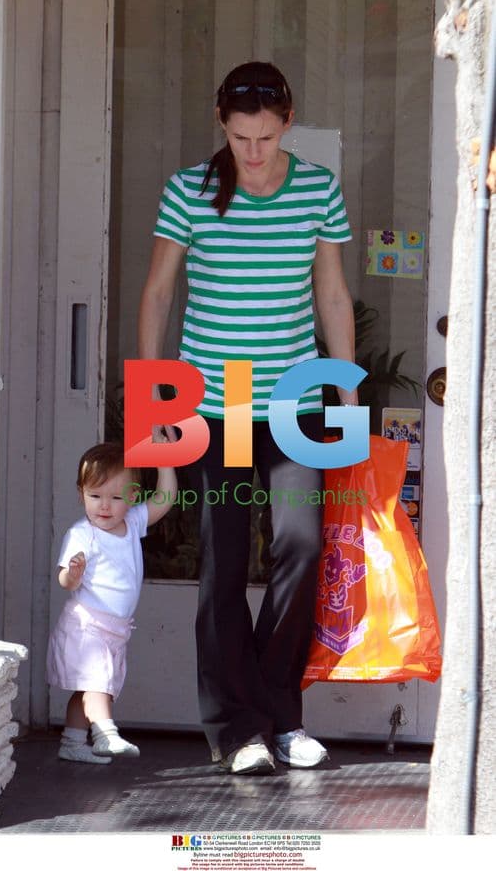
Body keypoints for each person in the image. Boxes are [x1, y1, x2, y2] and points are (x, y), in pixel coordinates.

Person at [138, 61, 357, 775]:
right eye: (240, 138)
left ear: (287, 122)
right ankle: (236, 729)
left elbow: (331, 295)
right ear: (222, 124)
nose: (253, 153)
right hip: (218, 398)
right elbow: (158, 297)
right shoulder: (190, 191)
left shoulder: (319, 189)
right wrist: (156, 411)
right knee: (223, 564)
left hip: (296, 393)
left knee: (301, 546)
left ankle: (279, 714)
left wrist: (348, 399)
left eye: (264, 138)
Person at [47, 439, 177, 764]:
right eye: (95, 496)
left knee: (88, 687)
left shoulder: (132, 524)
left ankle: (72, 742)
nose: (104, 506)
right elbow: (64, 581)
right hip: (86, 624)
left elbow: (164, 499)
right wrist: (74, 573)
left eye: (116, 498)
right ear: (81, 494)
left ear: (132, 499)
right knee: (96, 684)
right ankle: (105, 734)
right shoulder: (82, 534)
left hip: (114, 628)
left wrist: (165, 461)